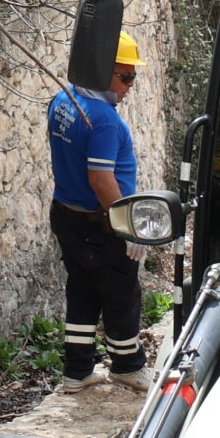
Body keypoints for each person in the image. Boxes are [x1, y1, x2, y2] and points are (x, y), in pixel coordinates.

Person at [47, 30, 147, 390]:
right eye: (125, 76)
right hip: (100, 222)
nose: (130, 85)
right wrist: (128, 227)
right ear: (100, 69)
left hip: (66, 215)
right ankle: (127, 365)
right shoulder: (103, 120)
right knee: (120, 291)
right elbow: (101, 179)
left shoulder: (63, 99)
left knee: (82, 289)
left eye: (133, 77)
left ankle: (77, 371)